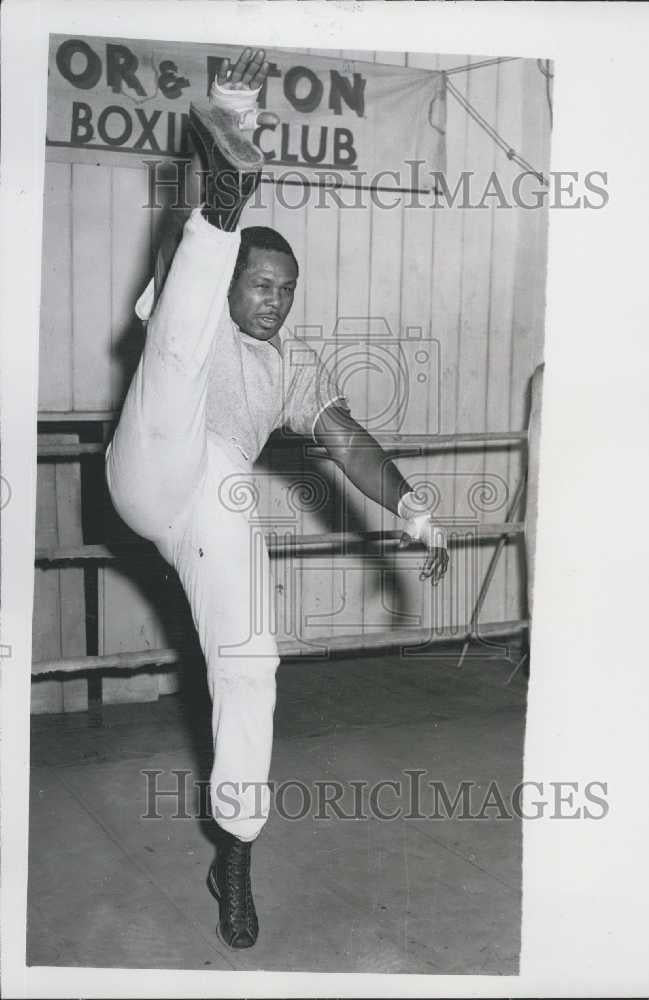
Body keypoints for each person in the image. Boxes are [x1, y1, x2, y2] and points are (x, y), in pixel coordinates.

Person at [105, 47, 449, 950]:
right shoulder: (203, 305)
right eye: (261, 287)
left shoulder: (293, 362)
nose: (273, 304)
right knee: (178, 338)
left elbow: (345, 443)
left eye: (284, 293)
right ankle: (231, 159)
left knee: (253, 665)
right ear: (237, 285)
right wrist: (229, 116)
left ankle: (236, 855)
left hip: (211, 502)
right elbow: (182, 265)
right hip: (150, 462)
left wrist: (411, 509)